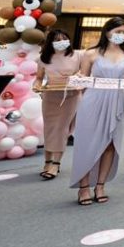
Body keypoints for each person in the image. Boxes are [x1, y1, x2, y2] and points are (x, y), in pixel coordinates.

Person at [70, 17, 124, 205]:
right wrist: (76, 81)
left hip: (117, 101)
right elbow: (83, 79)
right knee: (87, 143)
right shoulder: (91, 53)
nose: (121, 35)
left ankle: (100, 185)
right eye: (117, 31)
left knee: (110, 144)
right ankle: (83, 187)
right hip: (93, 100)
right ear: (107, 32)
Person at [35, 29, 81, 180]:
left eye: (64, 38)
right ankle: (47, 161)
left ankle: (56, 163)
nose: (62, 42)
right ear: (51, 42)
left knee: (61, 128)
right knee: (50, 128)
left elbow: (85, 73)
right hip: (50, 95)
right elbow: (39, 78)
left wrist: (77, 78)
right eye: (58, 40)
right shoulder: (43, 58)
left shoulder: (77, 55)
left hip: (70, 95)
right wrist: (37, 86)